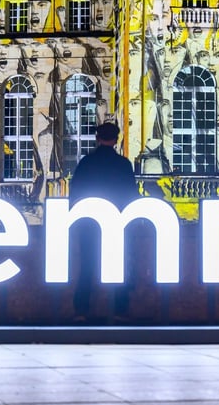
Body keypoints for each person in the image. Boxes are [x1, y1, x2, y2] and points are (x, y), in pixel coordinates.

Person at [68, 122, 139, 323]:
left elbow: (75, 193)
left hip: (89, 223)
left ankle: (81, 310)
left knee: (87, 266)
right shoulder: (123, 164)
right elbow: (131, 195)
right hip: (117, 222)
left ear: (97, 138)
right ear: (116, 140)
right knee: (119, 266)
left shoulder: (86, 163)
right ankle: (120, 309)